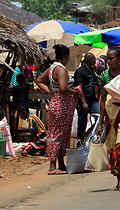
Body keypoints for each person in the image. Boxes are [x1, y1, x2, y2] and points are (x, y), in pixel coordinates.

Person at [36, 44, 83, 175]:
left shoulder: (52, 68)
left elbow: (39, 80)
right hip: (61, 105)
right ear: (66, 56)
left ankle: (61, 164)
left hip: (58, 103)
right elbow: (63, 88)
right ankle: (52, 166)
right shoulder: (61, 69)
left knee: (63, 135)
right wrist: (74, 92)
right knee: (56, 135)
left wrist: (51, 92)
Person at [95, 46, 120, 192]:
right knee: (113, 148)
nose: (108, 61)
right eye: (107, 58)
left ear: (119, 58)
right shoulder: (105, 75)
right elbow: (102, 99)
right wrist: (99, 123)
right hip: (110, 116)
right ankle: (118, 181)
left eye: (111, 58)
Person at [74, 53, 100, 141]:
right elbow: (78, 88)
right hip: (83, 100)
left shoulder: (91, 70)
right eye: (94, 59)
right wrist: (84, 102)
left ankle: (89, 134)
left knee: (99, 116)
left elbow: (95, 81)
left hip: (92, 99)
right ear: (88, 60)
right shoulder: (80, 71)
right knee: (82, 122)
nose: (95, 61)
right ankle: (80, 140)